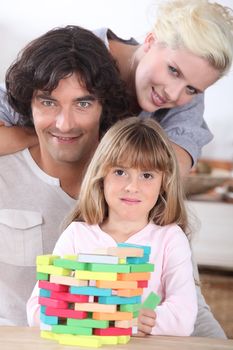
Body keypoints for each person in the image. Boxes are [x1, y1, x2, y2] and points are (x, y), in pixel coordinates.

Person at [1, 0, 233, 177]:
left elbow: (168, 171)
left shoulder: (186, 97)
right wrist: (43, 135)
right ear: (151, 40)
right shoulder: (75, 55)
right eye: (173, 70)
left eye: (192, 89)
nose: (173, 93)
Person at [0, 25, 129, 326]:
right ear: (27, 106)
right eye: (48, 102)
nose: (64, 123)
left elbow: (183, 296)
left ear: (103, 106)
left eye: (83, 103)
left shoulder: (137, 187)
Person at [27, 116, 198, 336]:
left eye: (146, 175)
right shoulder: (77, 235)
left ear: (164, 182)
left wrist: (87, 318)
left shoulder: (170, 239)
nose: (132, 187)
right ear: (101, 176)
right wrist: (120, 318)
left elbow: (183, 319)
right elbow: (36, 311)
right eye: (120, 172)